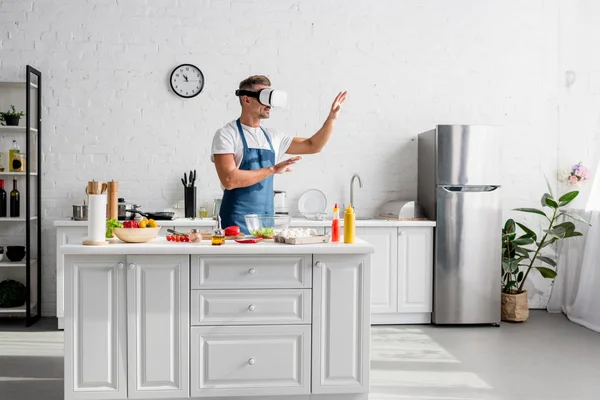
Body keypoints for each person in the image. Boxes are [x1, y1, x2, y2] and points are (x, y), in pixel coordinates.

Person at [211, 75, 347, 234]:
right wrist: (272, 169)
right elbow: (229, 180)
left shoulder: (273, 137)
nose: (269, 105)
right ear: (247, 100)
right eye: (264, 97)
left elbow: (313, 146)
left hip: (265, 224)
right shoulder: (227, 134)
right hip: (235, 224)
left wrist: (331, 118)